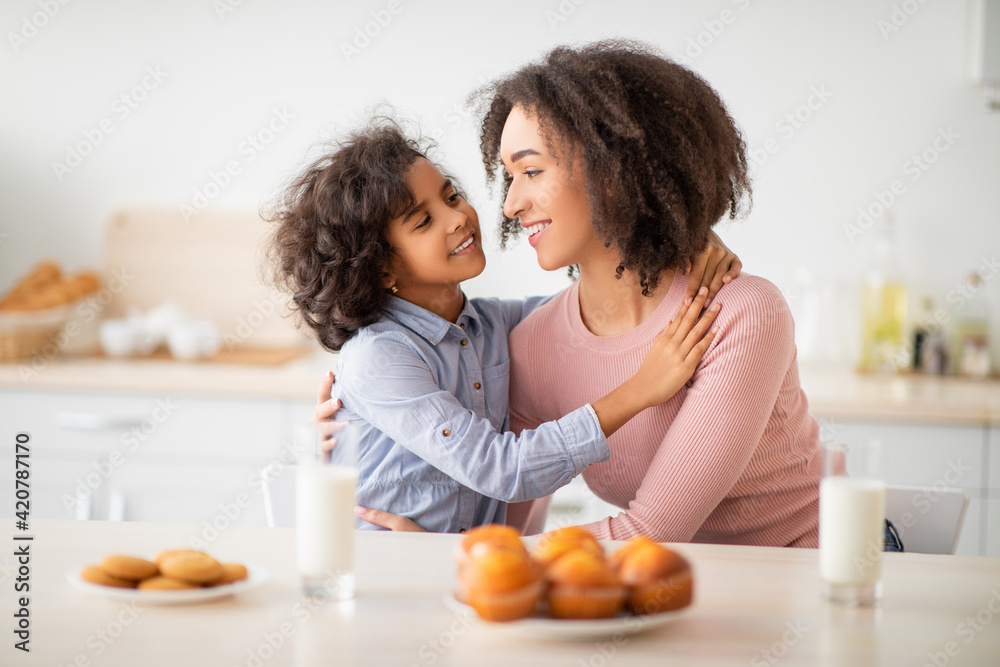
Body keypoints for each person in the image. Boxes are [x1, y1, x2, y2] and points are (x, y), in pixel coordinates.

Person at [341, 40, 822, 548]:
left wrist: (470, 554)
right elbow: (508, 526)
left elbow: (648, 534)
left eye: (530, 171)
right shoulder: (533, 341)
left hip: (822, 587)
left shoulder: (737, 314)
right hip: (670, 601)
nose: (508, 205)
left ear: (612, 170)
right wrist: (358, 412)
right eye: (508, 177)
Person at [268, 119, 728, 533]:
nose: (457, 218)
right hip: (385, 574)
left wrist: (685, 243)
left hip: (462, 575)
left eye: (451, 196)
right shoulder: (379, 356)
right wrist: (641, 389)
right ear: (380, 268)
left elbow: (607, 297)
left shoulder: (495, 325)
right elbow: (501, 469)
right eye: (425, 221)